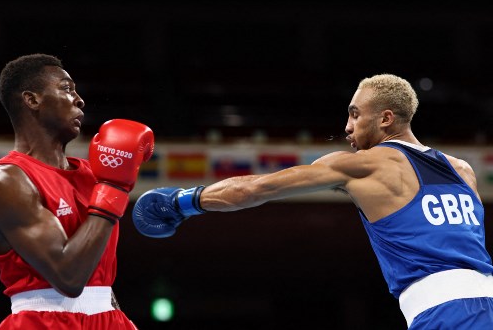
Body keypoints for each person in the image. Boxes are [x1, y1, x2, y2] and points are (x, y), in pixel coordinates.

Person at [132, 73, 493, 329]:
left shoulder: (364, 165)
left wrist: (182, 202)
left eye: (355, 113)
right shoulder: (462, 170)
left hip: (446, 314)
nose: (347, 126)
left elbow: (256, 189)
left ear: (385, 119)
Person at [0, 53, 154, 329]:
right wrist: (114, 187)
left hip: (109, 319)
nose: (79, 99)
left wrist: (118, 317)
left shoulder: (93, 174)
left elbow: (95, 284)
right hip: (42, 321)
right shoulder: (8, 180)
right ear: (32, 100)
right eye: (66, 88)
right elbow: (69, 278)